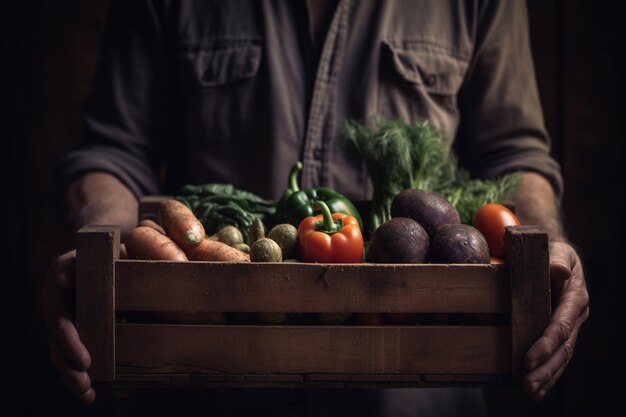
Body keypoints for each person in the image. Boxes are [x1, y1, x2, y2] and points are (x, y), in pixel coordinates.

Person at [43, 0, 589, 415]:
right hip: (207, 377)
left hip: (421, 384)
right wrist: (102, 258)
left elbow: (514, 157)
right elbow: (113, 150)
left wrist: (545, 242)